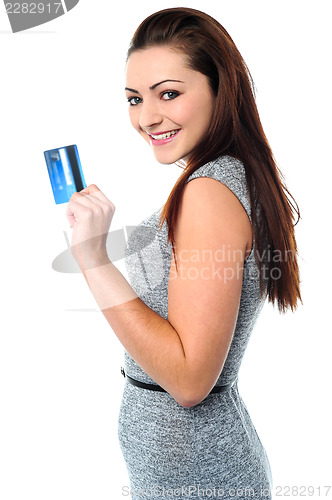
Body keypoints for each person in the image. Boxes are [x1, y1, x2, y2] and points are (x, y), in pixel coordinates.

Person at [65, 7, 301, 499]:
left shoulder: (209, 191)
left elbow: (191, 379)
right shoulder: (221, 178)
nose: (147, 117)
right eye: (134, 99)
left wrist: (92, 258)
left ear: (221, 88)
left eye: (168, 93)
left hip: (201, 481)